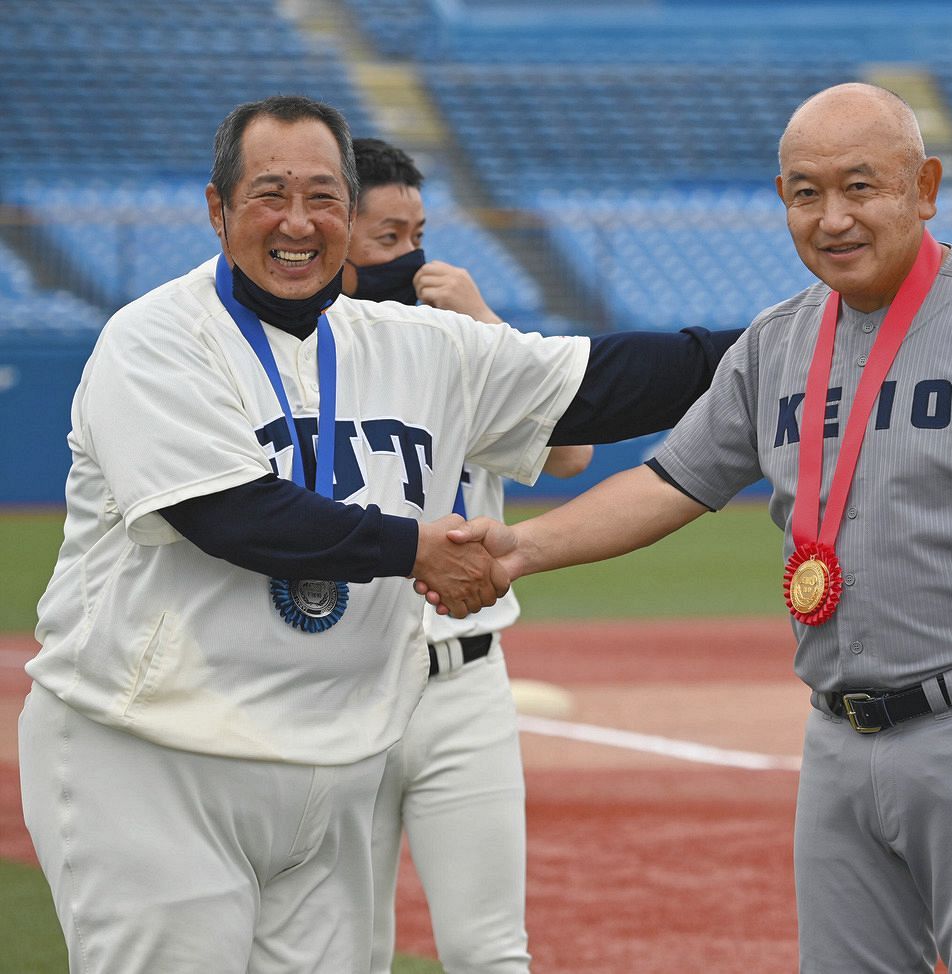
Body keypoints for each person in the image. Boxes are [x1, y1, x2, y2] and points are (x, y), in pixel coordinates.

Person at [424, 83, 952, 972]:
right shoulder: (776, 343)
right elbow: (668, 482)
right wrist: (520, 550)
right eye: (806, 193)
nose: (832, 217)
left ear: (924, 188)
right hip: (840, 736)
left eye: (860, 187)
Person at [17, 94, 738, 974]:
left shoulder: (415, 344)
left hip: (332, 764)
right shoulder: (157, 340)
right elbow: (233, 515)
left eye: (324, 197)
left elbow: (601, 383)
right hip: (156, 756)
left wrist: (786, 341)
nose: (297, 222)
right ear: (216, 209)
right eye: (268, 194)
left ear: (351, 217)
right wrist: (415, 549)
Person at [344, 136, 591, 974]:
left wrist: (487, 326)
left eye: (418, 235)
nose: (411, 258)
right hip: (344, 677)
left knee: (490, 951)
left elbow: (570, 455)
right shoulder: (300, 367)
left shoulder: (459, 345)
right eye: (387, 238)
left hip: (466, 682)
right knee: (343, 950)